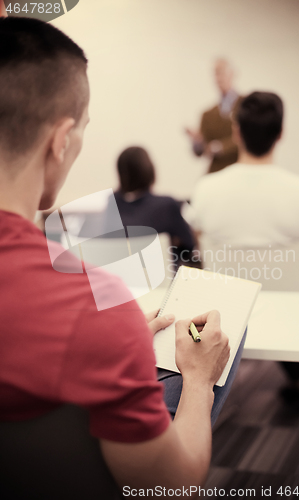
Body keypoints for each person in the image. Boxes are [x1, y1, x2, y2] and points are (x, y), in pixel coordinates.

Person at [0, 17, 245, 495]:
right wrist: (196, 381)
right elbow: (171, 487)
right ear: (61, 139)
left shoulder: (85, 242)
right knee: (212, 339)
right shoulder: (95, 302)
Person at [191, 91, 299, 399]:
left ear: (236, 132)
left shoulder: (205, 190)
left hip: (229, 315)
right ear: (280, 134)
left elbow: (200, 259)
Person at [102, 146, 195, 267]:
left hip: (123, 280)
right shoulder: (167, 205)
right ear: (149, 169)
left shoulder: (112, 203)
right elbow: (188, 246)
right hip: (163, 282)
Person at [185, 58, 240, 174]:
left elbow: (250, 137)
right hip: (216, 172)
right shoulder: (207, 114)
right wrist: (197, 141)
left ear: (232, 73)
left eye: (221, 72)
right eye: (215, 73)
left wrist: (219, 147)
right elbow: (200, 152)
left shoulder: (246, 105)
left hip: (239, 168)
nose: (218, 78)